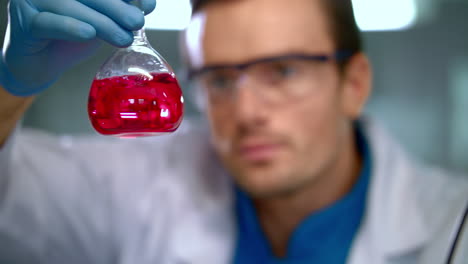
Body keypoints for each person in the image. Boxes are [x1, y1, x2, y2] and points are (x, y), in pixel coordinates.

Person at [0, 0, 467, 263]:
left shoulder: (453, 230)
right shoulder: (146, 183)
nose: (245, 112)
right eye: (219, 79)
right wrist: (9, 85)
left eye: (282, 71)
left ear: (355, 84)